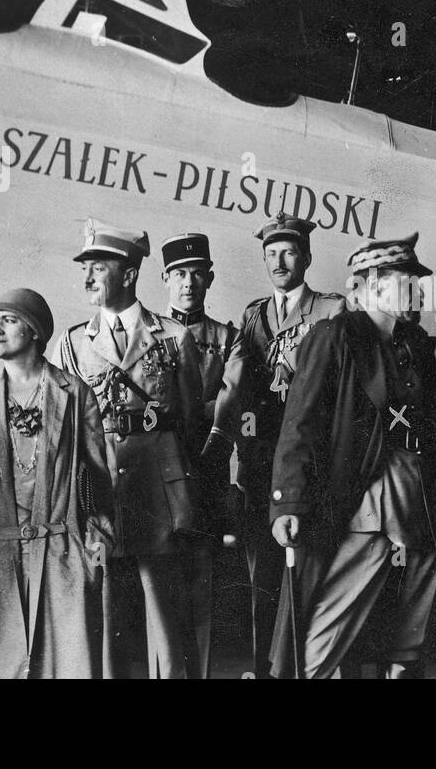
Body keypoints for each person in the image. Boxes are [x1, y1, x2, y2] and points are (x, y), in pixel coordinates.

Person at [269, 233, 436, 678]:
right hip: (365, 502)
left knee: (413, 621)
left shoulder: (416, 343)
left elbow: (435, 419)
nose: (419, 290)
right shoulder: (334, 336)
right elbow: (299, 422)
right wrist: (288, 501)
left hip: (423, 499)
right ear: (373, 286)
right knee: (330, 625)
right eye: (409, 282)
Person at [58, 219, 209, 679]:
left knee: (165, 615)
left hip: (160, 492)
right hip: (103, 490)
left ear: (128, 274)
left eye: (98, 267)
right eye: (85, 268)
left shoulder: (173, 337)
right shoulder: (73, 342)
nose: (87, 278)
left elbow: (190, 422)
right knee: (106, 613)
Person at [0, 289, 115, 678]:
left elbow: (100, 479)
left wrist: (96, 550)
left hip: (62, 556)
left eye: (8, 320)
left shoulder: (75, 393)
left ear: (35, 330)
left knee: (63, 666)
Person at [207, 213, 344, 677]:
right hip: (259, 460)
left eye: (288, 252)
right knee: (261, 573)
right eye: (271, 254)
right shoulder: (253, 315)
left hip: (309, 462)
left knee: (309, 571)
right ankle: (265, 666)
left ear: (307, 256)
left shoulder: (331, 310)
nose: (279, 261)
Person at [158, 231, 244, 676]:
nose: (187, 282)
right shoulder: (150, 333)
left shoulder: (228, 337)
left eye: (196, 273)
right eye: (178, 274)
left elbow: (229, 402)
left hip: (205, 471)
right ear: (164, 278)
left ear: (209, 279)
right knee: (157, 586)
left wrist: (188, 418)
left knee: (201, 585)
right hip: (156, 476)